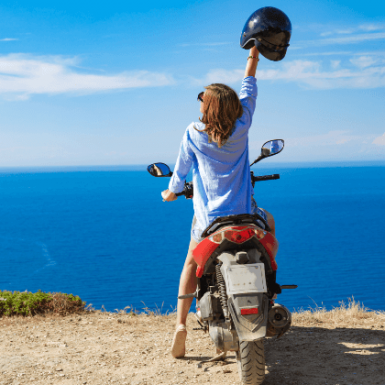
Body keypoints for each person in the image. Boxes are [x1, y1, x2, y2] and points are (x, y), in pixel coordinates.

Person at [161, 45, 275, 358]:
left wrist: (170, 192)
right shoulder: (242, 126)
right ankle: (271, 289)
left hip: (209, 222)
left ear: (209, 107)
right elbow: (249, 86)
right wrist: (253, 55)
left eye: (202, 100)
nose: (198, 104)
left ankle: (181, 326)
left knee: (189, 263)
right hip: (246, 217)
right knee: (271, 222)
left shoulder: (193, 133)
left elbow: (180, 172)